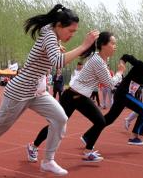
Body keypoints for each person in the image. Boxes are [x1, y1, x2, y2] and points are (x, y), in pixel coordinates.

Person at [0, 4, 99, 178]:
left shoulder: (54, 36)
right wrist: (84, 46)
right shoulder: (49, 33)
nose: (72, 35)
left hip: (37, 93)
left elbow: (52, 55)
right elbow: (57, 62)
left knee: (60, 118)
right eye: (70, 31)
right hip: (18, 92)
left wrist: (57, 47)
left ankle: (48, 160)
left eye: (75, 32)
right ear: (59, 26)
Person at [27, 31, 125, 163]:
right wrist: (119, 72)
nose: (115, 46)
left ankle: (88, 151)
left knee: (100, 121)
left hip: (80, 97)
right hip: (72, 97)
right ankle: (33, 146)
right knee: (56, 125)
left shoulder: (100, 58)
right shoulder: (98, 62)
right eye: (113, 43)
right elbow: (110, 83)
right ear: (103, 45)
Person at [81, 53, 143, 150]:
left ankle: (87, 136)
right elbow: (126, 56)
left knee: (109, 119)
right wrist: (122, 64)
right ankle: (134, 137)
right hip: (123, 93)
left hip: (124, 96)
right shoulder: (141, 65)